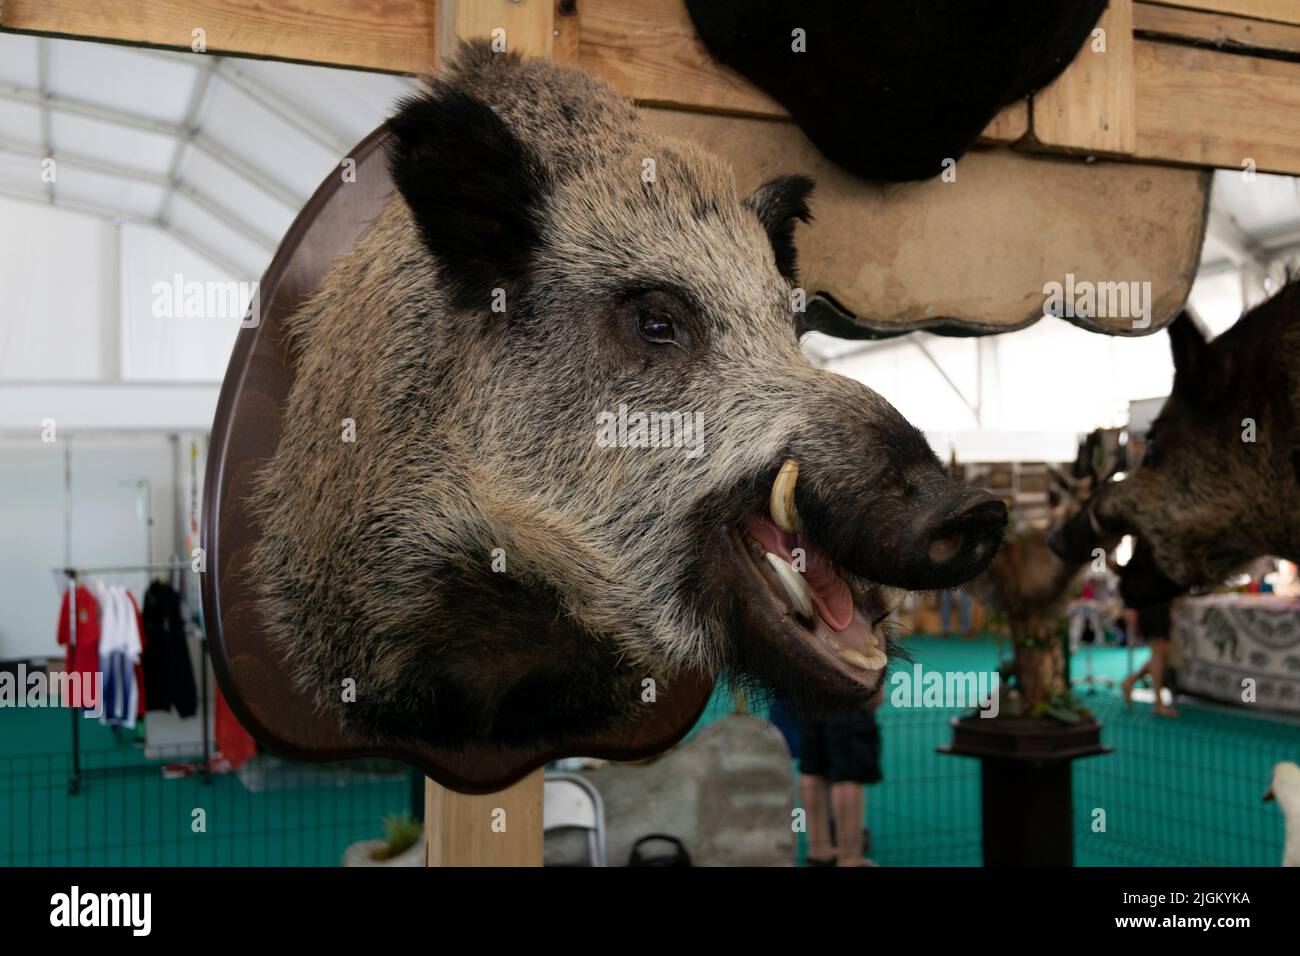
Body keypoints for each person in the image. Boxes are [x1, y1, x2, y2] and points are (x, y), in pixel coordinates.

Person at [798, 702, 884, 867]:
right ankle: (850, 859)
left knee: (813, 768)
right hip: (846, 696)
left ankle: (819, 852)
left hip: (810, 694)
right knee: (848, 773)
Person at [1120, 600, 1177, 718]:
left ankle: (1130, 681)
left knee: (1162, 654)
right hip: (1152, 607)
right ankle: (1158, 703)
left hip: (1156, 605)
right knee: (1158, 652)